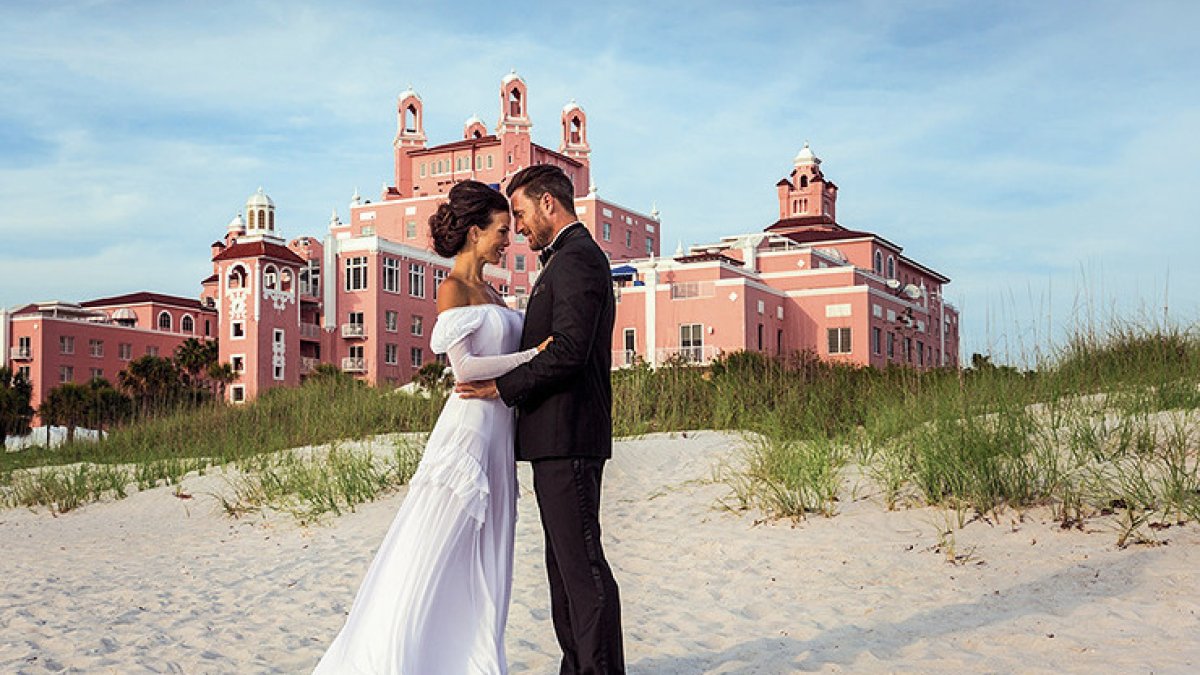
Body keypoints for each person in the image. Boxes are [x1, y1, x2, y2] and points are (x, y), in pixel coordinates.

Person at [314, 180, 550, 675]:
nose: (508, 239)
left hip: (498, 434)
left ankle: (471, 660)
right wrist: (534, 357)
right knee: (433, 547)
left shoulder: (492, 291)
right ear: (473, 232)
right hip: (468, 433)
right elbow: (464, 368)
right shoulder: (453, 288)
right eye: (501, 231)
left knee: (486, 557)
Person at [457, 164, 625, 674]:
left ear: (549, 204)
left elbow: (570, 350)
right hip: (557, 437)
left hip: (569, 434)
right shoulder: (565, 260)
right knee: (564, 568)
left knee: (582, 567)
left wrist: (501, 387)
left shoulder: (577, 260)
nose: (521, 227)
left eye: (524, 213)